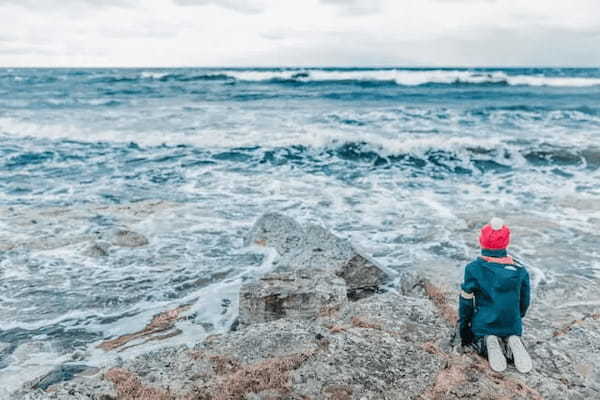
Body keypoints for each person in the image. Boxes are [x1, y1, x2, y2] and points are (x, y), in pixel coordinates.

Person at [458, 217, 532, 372]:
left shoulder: (473, 269)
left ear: (481, 242)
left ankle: (488, 341)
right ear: (506, 242)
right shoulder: (520, 270)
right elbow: (525, 302)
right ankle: (512, 340)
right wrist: (517, 318)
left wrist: (464, 329)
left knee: (481, 335)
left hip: (484, 324)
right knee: (510, 331)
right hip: (512, 323)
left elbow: (466, 303)